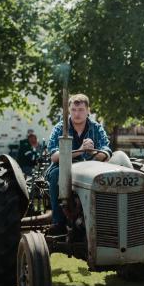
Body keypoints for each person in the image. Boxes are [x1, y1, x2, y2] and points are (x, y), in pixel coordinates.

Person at [46, 94, 112, 234]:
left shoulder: (96, 128)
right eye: (74, 110)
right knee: (55, 174)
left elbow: (106, 150)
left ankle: (104, 220)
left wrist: (96, 152)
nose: (77, 113)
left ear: (88, 110)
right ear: (69, 110)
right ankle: (58, 222)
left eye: (81, 109)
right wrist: (81, 150)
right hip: (65, 168)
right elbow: (54, 156)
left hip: (90, 168)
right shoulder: (60, 128)